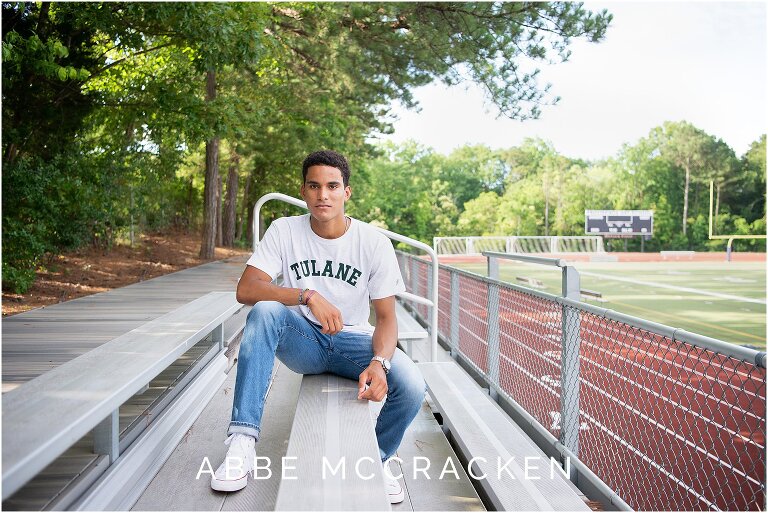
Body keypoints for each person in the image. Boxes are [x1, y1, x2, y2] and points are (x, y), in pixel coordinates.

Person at [210, 149, 426, 504]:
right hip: (303, 341)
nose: (322, 195)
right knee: (264, 310)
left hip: (353, 344)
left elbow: (387, 319)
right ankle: (242, 443)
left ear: (347, 192)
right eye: (314, 186)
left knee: (414, 385)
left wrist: (379, 363)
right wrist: (306, 294)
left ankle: (378, 458)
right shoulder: (284, 230)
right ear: (304, 190)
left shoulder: (373, 243)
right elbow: (245, 290)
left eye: (332, 186)